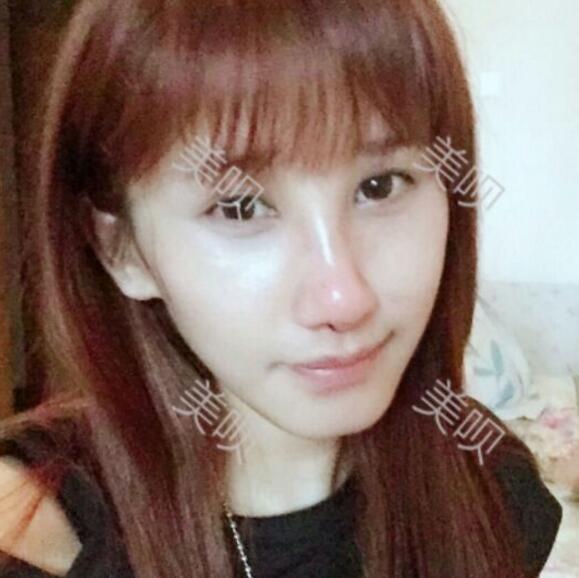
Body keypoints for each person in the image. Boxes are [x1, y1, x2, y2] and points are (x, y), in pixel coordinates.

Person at [0, 0, 563, 577]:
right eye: (241, 207)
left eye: (380, 185)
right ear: (124, 250)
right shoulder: (30, 533)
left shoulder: (490, 487)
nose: (344, 300)